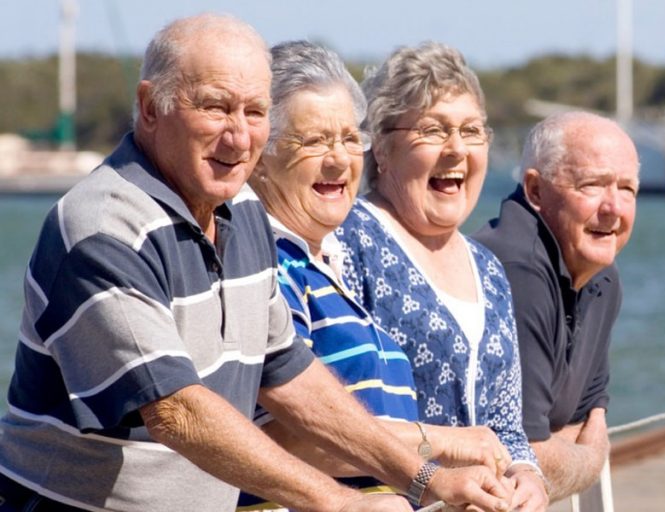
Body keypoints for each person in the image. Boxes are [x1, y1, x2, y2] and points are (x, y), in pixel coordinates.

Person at [0, 15, 510, 512]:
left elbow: (288, 371)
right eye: (216, 108)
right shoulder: (103, 227)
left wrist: (425, 478)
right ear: (150, 107)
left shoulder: (242, 212)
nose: (239, 137)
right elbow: (175, 411)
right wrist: (337, 502)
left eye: (254, 112)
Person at [239, 40, 514, 509]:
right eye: (314, 140)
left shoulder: (327, 265)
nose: (338, 159)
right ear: (261, 155)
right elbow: (286, 442)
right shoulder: (268, 264)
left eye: (349, 138)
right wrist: (443, 445)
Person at [335, 42, 548, 512]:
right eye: (433, 130)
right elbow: (325, 420)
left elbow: (505, 424)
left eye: (472, 131)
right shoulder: (349, 240)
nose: (456, 149)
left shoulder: (487, 267)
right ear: (383, 149)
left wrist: (526, 475)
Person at [472, 112, 640, 501]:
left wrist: (566, 448)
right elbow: (523, 460)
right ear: (535, 191)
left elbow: (585, 418)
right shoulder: (516, 269)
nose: (613, 208)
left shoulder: (601, 276)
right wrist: (592, 459)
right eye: (592, 185)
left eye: (627, 189)